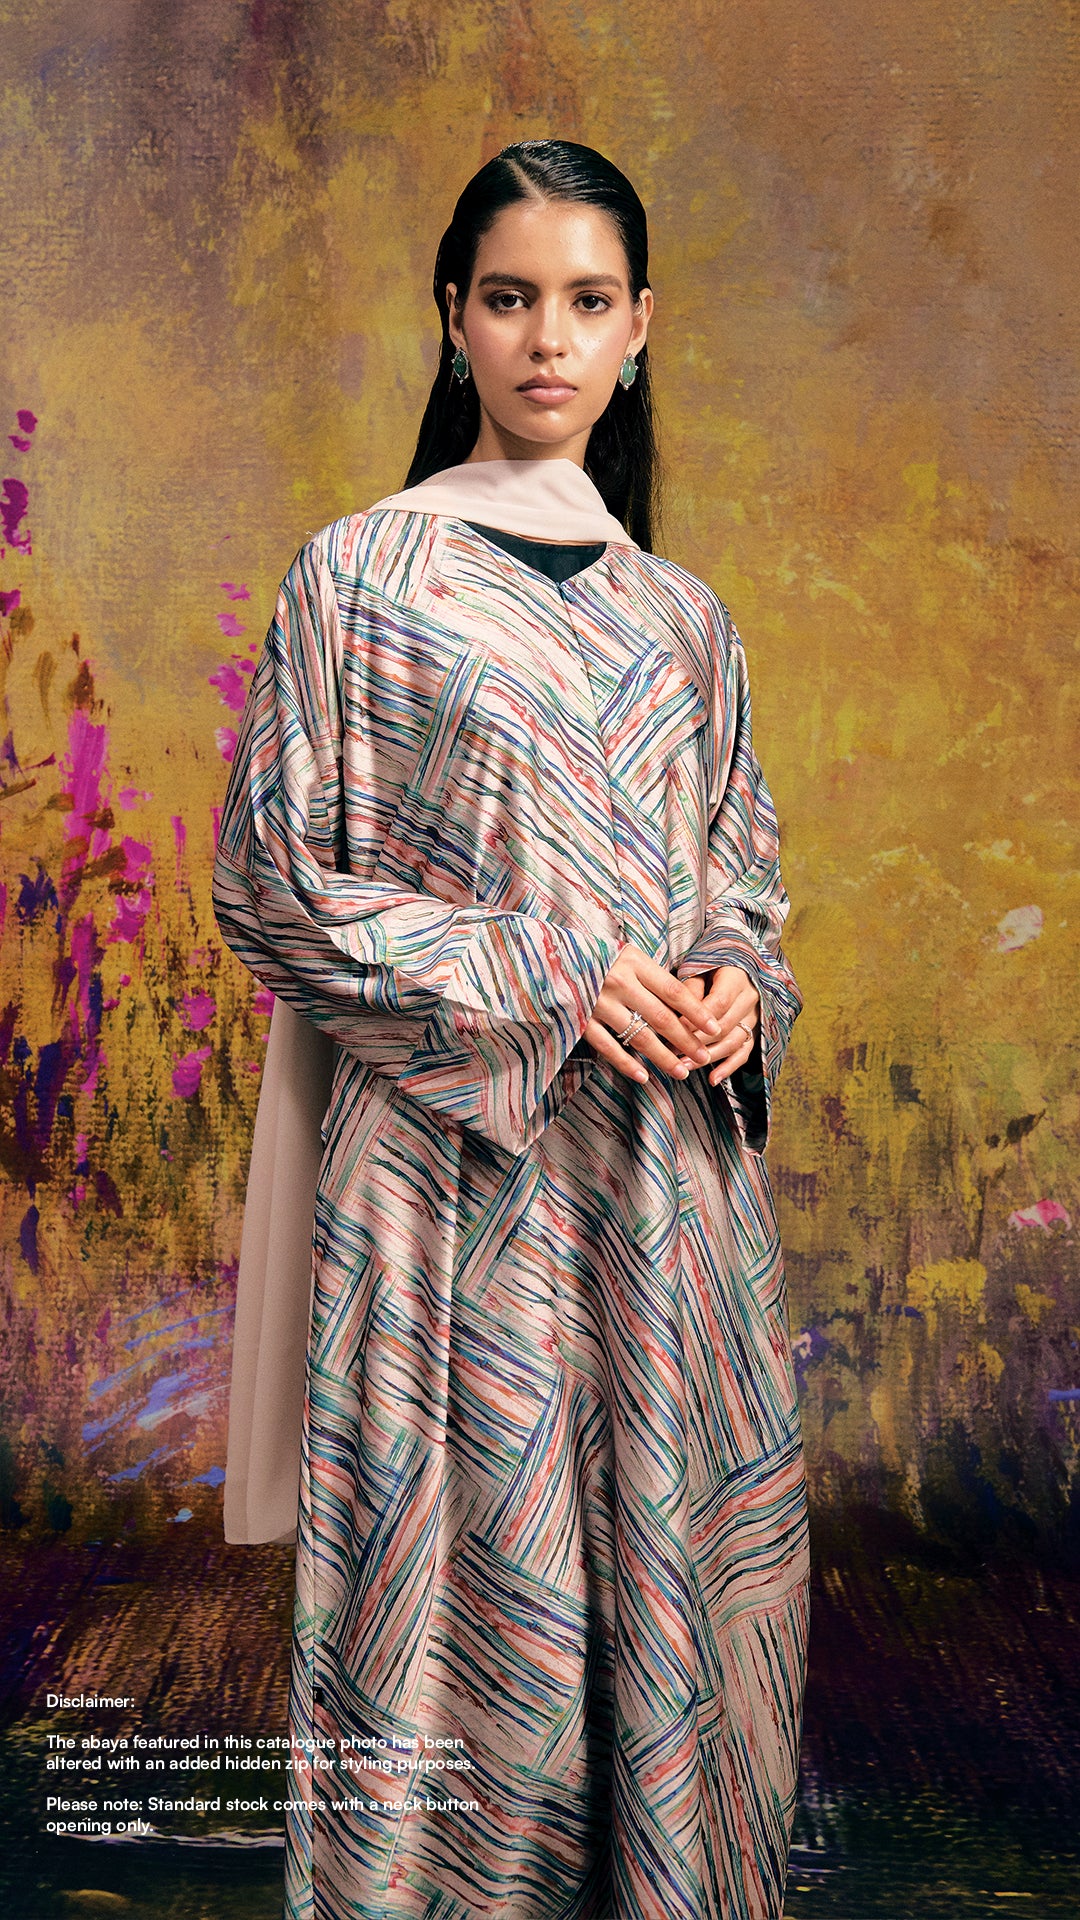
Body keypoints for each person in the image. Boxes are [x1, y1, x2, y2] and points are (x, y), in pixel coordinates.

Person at [213, 138, 809, 1920]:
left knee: (678, 1590)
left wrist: (734, 981)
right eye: (510, 298)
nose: (549, 338)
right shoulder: (360, 578)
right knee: (466, 1596)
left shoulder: (684, 619)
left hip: (664, 1197)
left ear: (641, 327)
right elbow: (272, 884)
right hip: (448, 1193)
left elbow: (740, 878)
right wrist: (549, 973)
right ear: (452, 320)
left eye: (588, 301)